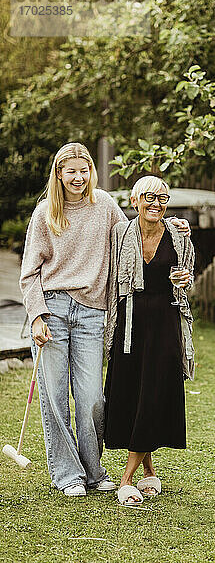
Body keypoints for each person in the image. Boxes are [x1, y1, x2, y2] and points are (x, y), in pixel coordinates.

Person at [19, 143, 189, 497]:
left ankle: (94, 472)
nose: (78, 178)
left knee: (93, 398)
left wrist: (168, 222)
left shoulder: (105, 205)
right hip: (52, 308)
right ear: (59, 174)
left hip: (92, 313)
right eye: (71, 171)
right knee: (54, 399)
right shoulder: (44, 214)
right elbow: (29, 272)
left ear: (91, 171)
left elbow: (135, 229)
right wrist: (36, 315)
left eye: (84, 170)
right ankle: (68, 476)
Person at [104, 175, 195, 506]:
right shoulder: (119, 232)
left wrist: (186, 279)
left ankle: (125, 480)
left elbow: (188, 275)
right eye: (150, 197)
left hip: (164, 325)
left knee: (154, 393)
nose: (156, 204)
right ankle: (149, 473)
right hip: (129, 324)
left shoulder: (179, 234)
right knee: (132, 394)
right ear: (135, 201)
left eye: (163, 198)